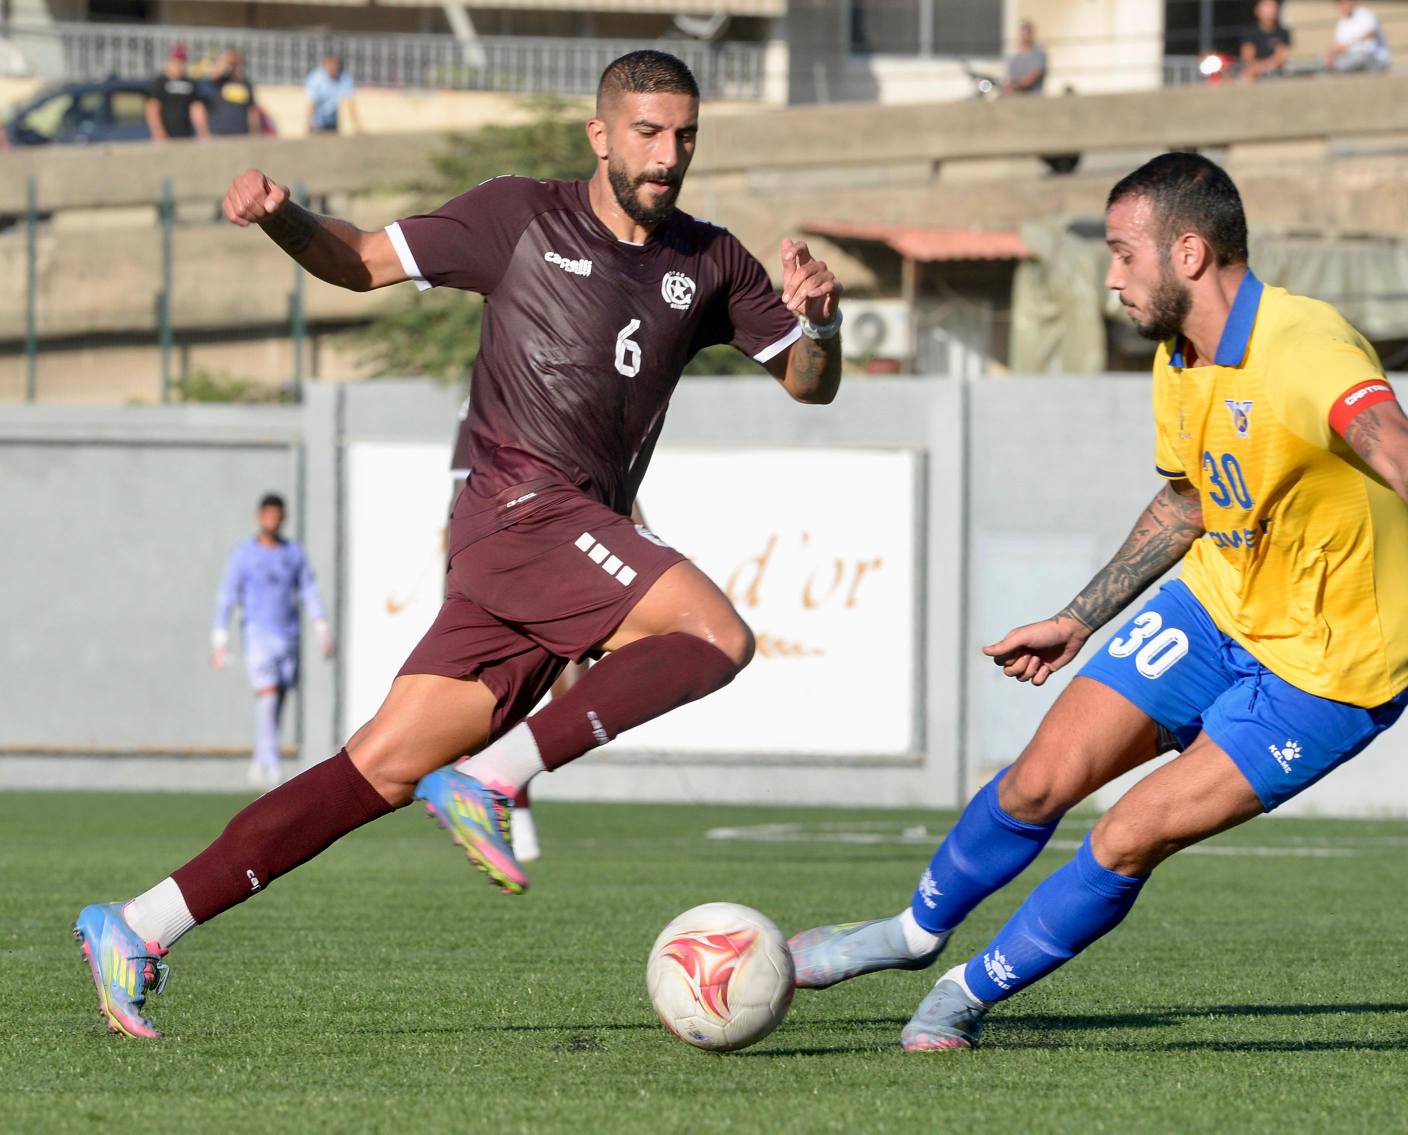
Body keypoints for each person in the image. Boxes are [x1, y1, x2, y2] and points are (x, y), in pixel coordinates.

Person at [73, 49, 843, 1039]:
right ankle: (493, 777)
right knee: (714, 635)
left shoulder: (712, 260)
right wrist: (281, 217)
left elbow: (808, 383)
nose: (667, 155)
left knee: (379, 767)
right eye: (647, 133)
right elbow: (360, 260)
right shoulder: (518, 216)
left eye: (684, 136)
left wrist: (822, 326)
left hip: (548, 546)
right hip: (521, 510)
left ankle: (139, 923)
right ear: (600, 134)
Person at [788, 151, 1408, 1051]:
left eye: (1123, 254)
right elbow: (1190, 502)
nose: (1111, 277)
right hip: (1218, 606)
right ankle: (913, 932)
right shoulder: (1178, 357)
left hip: (1330, 671)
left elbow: (1394, 447)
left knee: (1126, 834)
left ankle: (962, 995)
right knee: (1038, 778)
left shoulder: (1306, 345)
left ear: (1188, 253)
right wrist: (1079, 617)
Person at [211, 493, 334, 789]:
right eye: (268, 515)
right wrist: (220, 638)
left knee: (278, 696)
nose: (272, 521)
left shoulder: (293, 553)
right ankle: (273, 763)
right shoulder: (244, 554)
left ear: (283, 519)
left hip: (287, 635)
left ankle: (261, 756)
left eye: (277, 516)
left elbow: (308, 589)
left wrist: (321, 627)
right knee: (267, 692)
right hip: (257, 633)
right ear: (260, 517)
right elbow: (228, 595)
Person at [145, 44, 209, 142]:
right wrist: (158, 133)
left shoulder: (190, 83)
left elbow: (196, 108)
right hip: (166, 136)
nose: (179, 65)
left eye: (182, 62)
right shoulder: (160, 83)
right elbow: (152, 109)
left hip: (185, 136)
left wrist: (203, 132)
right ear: (169, 62)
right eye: (176, 61)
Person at [204, 49, 262, 137]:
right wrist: (225, 60)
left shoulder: (246, 85)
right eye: (232, 64)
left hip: (241, 133)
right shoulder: (220, 82)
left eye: (237, 64)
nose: (235, 67)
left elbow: (252, 110)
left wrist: (255, 132)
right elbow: (214, 73)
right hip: (219, 132)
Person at [1326, 0, 1391, 72]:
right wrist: (1331, 55)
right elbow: (1340, 45)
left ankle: (1332, 67)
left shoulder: (1366, 15)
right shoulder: (1342, 22)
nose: (1343, 6)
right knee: (1328, 60)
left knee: (1358, 58)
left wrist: (1348, 45)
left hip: (1374, 57)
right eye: (1340, 3)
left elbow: (1371, 35)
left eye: (1345, 3)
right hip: (1352, 56)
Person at [306, 54, 359, 135]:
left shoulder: (344, 77)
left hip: (333, 121)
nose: (333, 68)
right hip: (318, 122)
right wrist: (309, 124)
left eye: (335, 65)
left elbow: (350, 103)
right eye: (330, 65)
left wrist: (356, 127)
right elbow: (311, 103)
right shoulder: (316, 78)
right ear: (324, 66)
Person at [1239, 0, 1292, 81]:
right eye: (1267, 6)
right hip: (1253, 71)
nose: (1271, 9)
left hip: (1275, 72)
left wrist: (1262, 67)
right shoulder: (1249, 32)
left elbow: (1280, 58)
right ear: (1257, 10)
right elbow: (1247, 57)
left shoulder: (1283, 32)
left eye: (1273, 6)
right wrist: (1255, 68)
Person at [1002, 21, 1046, 95]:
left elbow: (1034, 76)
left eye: (1026, 34)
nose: (1024, 37)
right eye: (1022, 34)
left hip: (1033, 96)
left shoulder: (1039, 55)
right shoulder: (1014, 58)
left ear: (1031, 34)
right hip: (1016, 96)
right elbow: (1010, 79)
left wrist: (1015, 85)